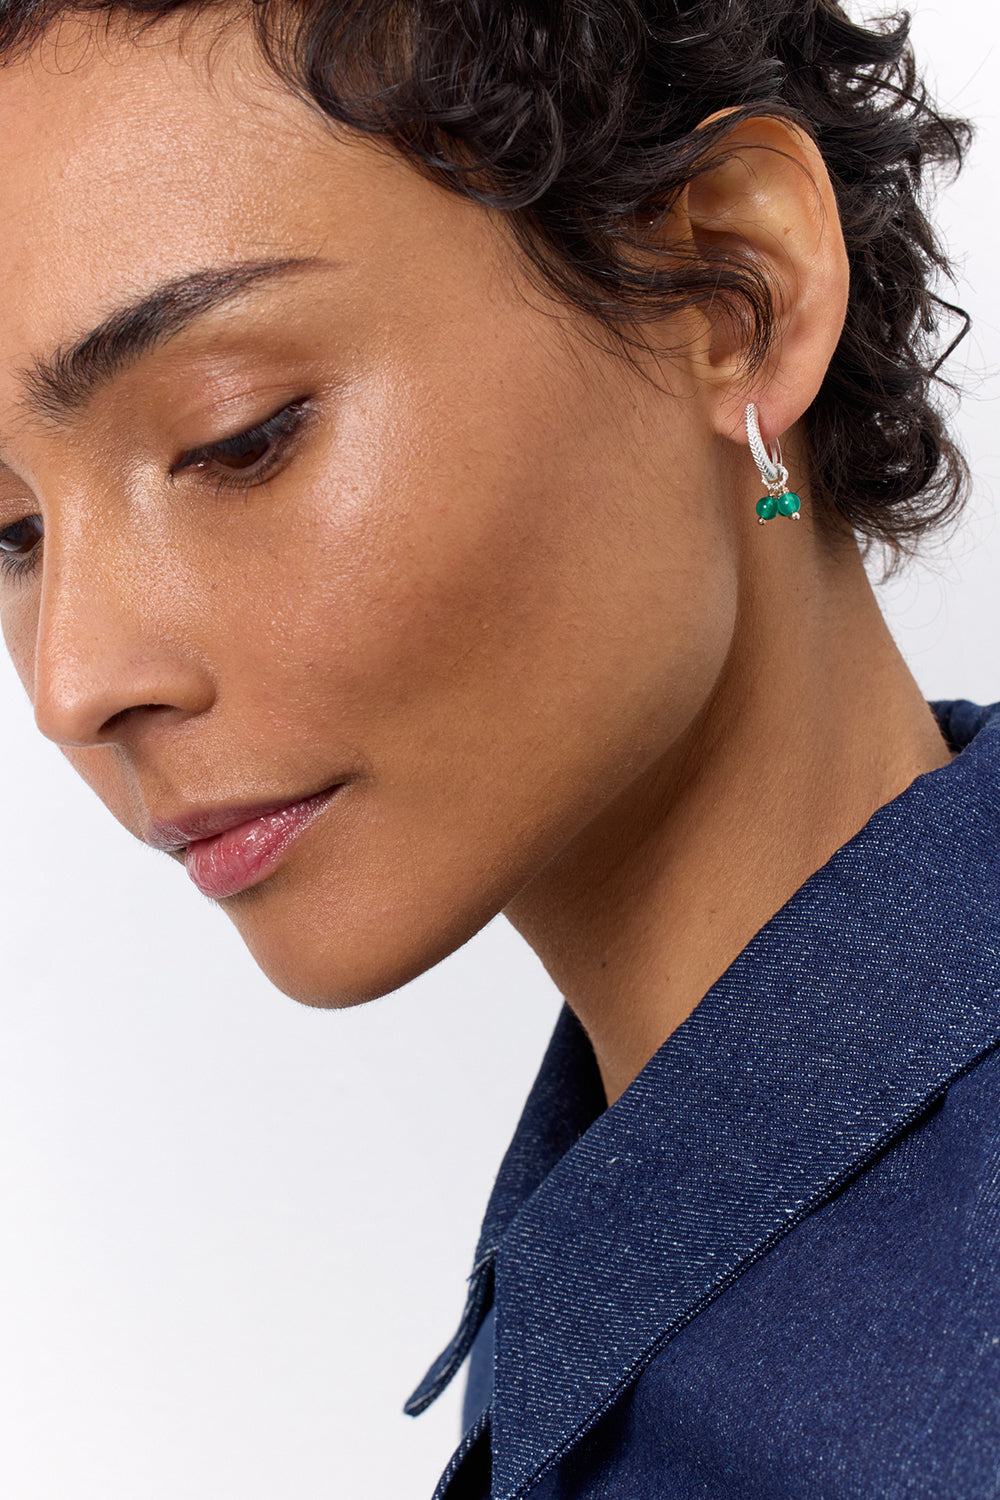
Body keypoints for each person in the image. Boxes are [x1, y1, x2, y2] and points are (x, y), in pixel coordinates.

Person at [0, 0, 997, 1495]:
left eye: (239, 434)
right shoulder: (675, 1254)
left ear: (737, 295)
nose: (72, 679)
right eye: (11, 533)